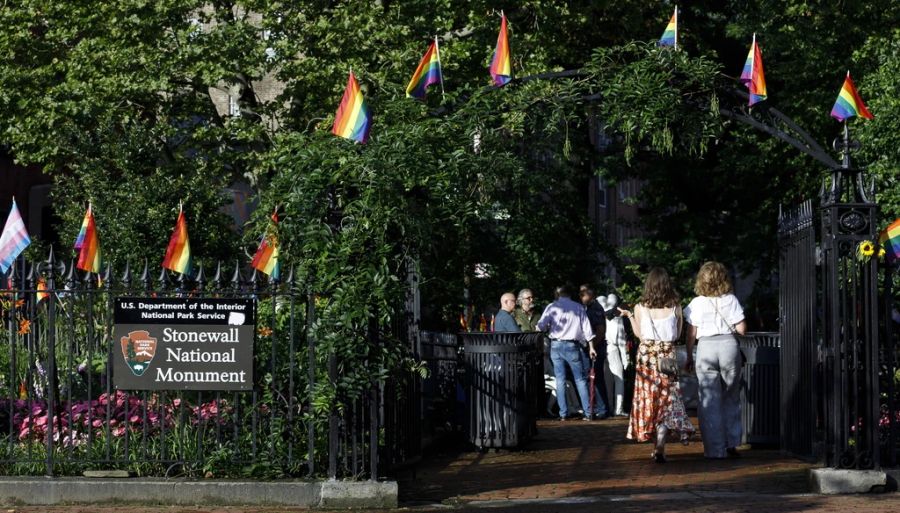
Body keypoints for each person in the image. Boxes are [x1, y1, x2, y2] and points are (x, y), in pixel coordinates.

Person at [619, 268, 695, 463]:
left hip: (646, 356)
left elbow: (639, 335)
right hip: (667, 356)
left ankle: (656, 442)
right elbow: (677, 335)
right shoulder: (675, 306)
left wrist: (630, 316)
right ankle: (661, 439)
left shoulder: (640, 307)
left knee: (648, 398)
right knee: (667, 398)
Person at [684, 261, 747, 459]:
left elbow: (691, 334)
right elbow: (742, 329)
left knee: (709, 400)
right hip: (728, 346)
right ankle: (731, 443)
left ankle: (714, 450)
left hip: (706, 348)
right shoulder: (731, 300)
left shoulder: (696, 303)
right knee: (730, 396)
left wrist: (688, 355)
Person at [537, 284, 597, 421]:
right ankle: (588, 412)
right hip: (572, 346)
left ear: (557, 295)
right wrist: (592, 347)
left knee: (560, 379)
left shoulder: (552, 307)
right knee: (580, 379)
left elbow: (540, 326)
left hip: (556, 345)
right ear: (570, 294)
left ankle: (563, 413)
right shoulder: (578, 307)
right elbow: (588, 330)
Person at [579, 285, 609, 419]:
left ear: (590, 295)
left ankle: (601, 409)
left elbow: (600, 331)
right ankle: (599, 407)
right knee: (594, 379)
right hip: (594, 348)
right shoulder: (589, 308)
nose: (581, 297)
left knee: (595, 379)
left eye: (582, 294)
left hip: (596, 349)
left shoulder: (595, 308)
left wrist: (590, 346)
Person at [602, 293, 630, 417]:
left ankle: (609, 407)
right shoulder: (617, 319)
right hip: (612, 349)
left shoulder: (599, 315)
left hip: (601, 349)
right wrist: (626, 360)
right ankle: (618, 409)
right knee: (619, 380)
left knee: (607, 381)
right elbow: (621, 342)